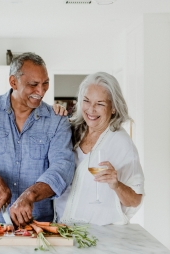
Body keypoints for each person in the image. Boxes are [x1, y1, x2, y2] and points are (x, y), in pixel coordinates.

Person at [0, 52, 75, 226]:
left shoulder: (57, 120)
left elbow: (62, 168)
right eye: (33, 84)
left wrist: (30, 195)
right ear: (13, 82)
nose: (41, 91)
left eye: (45, 84)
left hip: (39, 225)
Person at [54, 72, 144, 225]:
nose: (91, 109)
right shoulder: (71, 129)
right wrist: (52, 115)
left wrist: (116, 185)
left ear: (113, 108)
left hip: (98, 235)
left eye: (100, 104)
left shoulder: (121, 143)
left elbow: (135, 200)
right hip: (61, 227)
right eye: (87, 101)